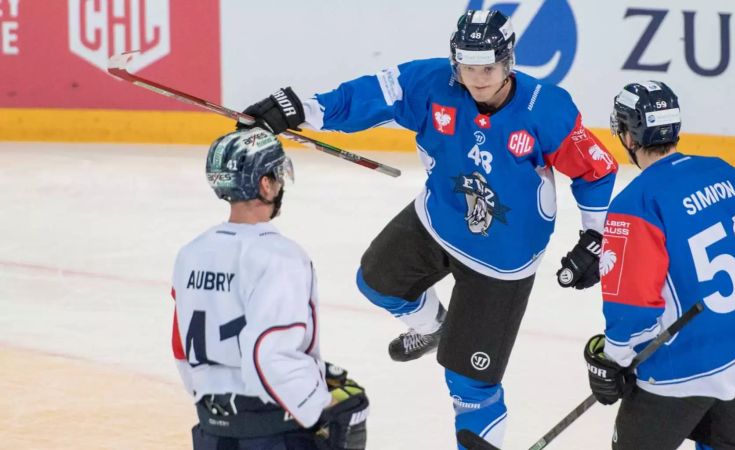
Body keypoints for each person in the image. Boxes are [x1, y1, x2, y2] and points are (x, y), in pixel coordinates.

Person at [238, 9, 618, 449]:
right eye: (467, 67)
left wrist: (595, 234)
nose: (477, 79)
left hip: (504, 257)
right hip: (439, 219)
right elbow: (367, 96)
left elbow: (596, 170)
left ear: (509, 61)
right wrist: (300, 108)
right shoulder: (431, 83)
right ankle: (433, 324)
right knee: (376, 280)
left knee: (469, 388)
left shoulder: (545, 107)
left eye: (488, 69)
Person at [582, 81, 735, 449]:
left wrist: (615, 360)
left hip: (677, 368)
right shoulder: (723, 172)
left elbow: (632, 305)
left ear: (629, 137)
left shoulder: (635, 202)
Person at [170, 128, 369, 450]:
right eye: (276, 175)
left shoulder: (191, 252)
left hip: (212, 427)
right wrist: (316, 406)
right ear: (265, 184)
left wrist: (213, 398)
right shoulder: (280, 256)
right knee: (350, 405)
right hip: (273, 429)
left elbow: (181, 346)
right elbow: (270, 353)